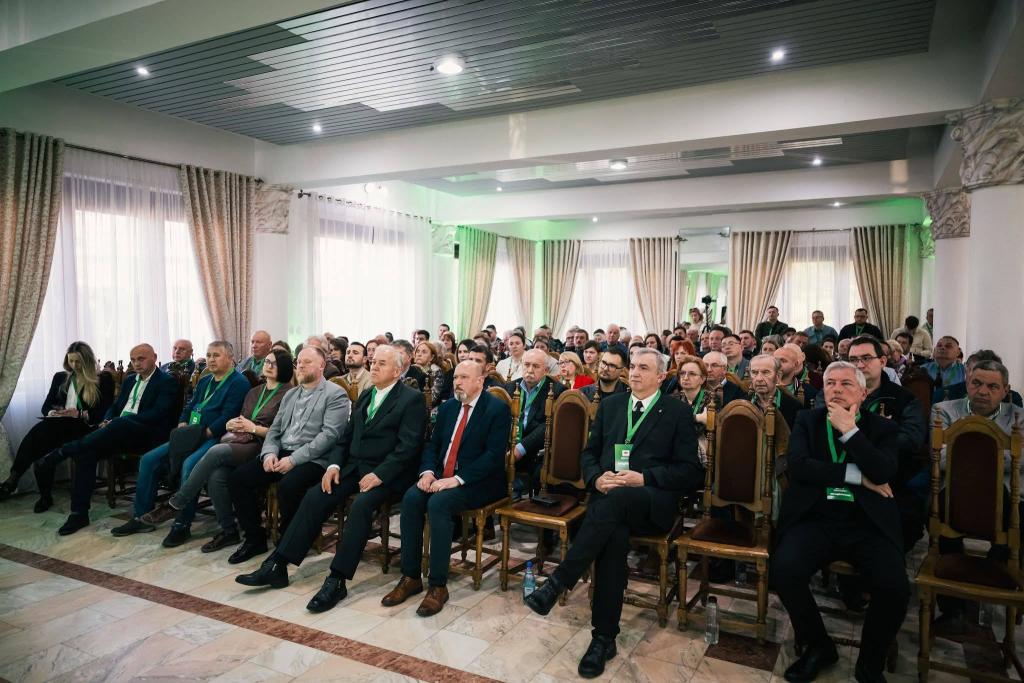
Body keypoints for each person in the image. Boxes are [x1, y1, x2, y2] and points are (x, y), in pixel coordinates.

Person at [525, 348, 703, 678]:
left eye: (643, 368)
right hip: (609, 503)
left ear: (660, 376)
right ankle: (603, 639)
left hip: (651, 502)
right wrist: (596, 478)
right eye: (632, 366)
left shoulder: (677, 412)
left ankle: (559, 581)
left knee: (616, 505)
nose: (634, 373)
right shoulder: (611, 405)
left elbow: (691, 472)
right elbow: (589, 454)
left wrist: (644, 478)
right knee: (613, 536)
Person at [235, 347, 427, 609]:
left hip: (389, 473)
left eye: (382, 363)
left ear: (397, 370)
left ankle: (337, 579)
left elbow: (409, 446)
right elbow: (345, 438)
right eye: (373, 362)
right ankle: (278, 564)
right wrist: (334, 465)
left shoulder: (411, 399)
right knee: (316, 495)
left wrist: (380, 474)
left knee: (361, 506)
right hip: (355, 467)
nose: (374, 366)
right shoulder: (368, 394)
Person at [770, 362, 907, 683]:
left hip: (866, 523)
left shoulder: (882, 428)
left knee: (895, 587)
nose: (836, 389)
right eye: (830, 383)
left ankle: (869, 664)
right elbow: (799, 466)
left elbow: (883, 471)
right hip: (816, 517)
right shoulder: (808, 420)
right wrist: (857, 475)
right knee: (783, 570)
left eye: (846, 384)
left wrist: (850, 432)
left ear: (863, 392)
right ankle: (818, 646)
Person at [379, 361, 512, 617]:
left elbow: (493, 456)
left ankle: (438, 585)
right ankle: (411, 577)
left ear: (480, 381)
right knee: (411, 499)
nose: (457, 382)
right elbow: (432, 445)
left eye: (464, 378)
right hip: (441, 475)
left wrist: (457, 479)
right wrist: (428, 472)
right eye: (456, 377)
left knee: (439, 504)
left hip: (480, 482)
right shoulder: (449, 407)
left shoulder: (497, 409)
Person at [139, 349, 293, 552]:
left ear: (284, 368)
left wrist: (253, 428)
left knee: (216, 452)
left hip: (263, 446)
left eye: (274, 363)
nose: (268, 366)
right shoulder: (255, 391)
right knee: (216, 476)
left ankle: (177, 502)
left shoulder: (289, 394)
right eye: (267, 362)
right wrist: (232, 424)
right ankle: (229, 530)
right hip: (241, 440)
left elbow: (283, 432)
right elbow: (241, 417)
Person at [111, 341, 251, 544]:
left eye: (216, 355)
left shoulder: (238, 382)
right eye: (209, 355)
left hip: (214, 436)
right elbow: (190, 405)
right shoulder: (205, 380)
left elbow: (229, 415)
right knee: (149, 460)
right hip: (190, 433)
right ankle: (141, 517)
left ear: (230, 358)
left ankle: (182, 524)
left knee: (189, 465)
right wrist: (183, 422)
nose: (211, 359)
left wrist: (206, 433)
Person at [34, 344, 179, 535]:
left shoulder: (166, 382)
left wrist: (119, 422)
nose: (136, 363)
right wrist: (107, 420)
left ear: (154, 357)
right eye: (133, 360)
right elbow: (115, 406)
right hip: (118, 432)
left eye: (141, 359)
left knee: (118, 423)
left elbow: (158, 414)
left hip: (146, 434)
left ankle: (62, 452)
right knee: (85, 453)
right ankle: (79, 514)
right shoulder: (130, 380)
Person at [225, 347, 351, 564]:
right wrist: (269, 454)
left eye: (307, 362)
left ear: (322, 365)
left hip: (314, 458)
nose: (300, 366)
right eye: (298, 361)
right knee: (238, 479)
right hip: (282, 451)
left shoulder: (335, 394)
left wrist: (294, 460)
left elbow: (329, 436)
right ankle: (254, 539)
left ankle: (287, 543)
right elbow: (275, 430)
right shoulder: (291, 394)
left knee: (289, 485)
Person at [931, 360, 1024, 629]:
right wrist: (1000, 453)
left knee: (1017, 529)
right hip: (955, 492)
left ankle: (998, 577)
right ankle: (952, 607)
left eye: (993, 387)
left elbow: (1022, 459)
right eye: (977, 383)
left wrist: (968, 449)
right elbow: (940, 459)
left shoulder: (1019, 416)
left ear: (1005, 390)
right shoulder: (944, 410)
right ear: (967, 383)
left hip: (1010, 495)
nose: (983, 391)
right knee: (938, 518)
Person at [0, 342, 114, 505]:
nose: (74, 365)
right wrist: (54, 413)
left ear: (87, 360)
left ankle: (15, 480)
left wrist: (79, 413)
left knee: (40, 435)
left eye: (78, 361)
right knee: (43, 441)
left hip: (85, 427)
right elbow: (46, 407)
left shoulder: (103, 379)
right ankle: (42, 494)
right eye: (71, 361)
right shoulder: (60, 377)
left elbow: (104, 411)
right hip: (59, 425)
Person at [508, 350, 566, 498]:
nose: (530, 370)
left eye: (535, 366)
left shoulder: (558, 391)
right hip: (509, 445)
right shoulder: (510, 387)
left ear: (546, 370)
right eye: (526, 365)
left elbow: (548, 426)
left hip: (537, 451)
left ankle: (520, 487)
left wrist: (520, 448)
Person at [748, 354, 803, 429]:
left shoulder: (795, 407)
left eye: (766, 372)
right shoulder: (742, 403)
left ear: (778, 376)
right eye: (754, 372)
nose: (759, 379)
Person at [922, 336, 966, 403]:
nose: (942, 348)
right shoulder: (923, 369)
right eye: (939, 345)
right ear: (934, 350)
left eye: (948, 346)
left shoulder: (965, 371)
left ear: (958, 352)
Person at [413, 341, 444, 407]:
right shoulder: (411, 368)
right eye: (417, 351)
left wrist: (422, 372)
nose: (419, 354)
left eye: (424, 352)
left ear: (431, 357)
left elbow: (431, 399)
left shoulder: (436, 372)